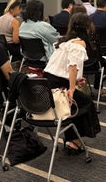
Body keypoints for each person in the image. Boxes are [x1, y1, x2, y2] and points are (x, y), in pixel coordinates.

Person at [43, 12, 101, 153]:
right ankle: (73, 141)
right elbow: (72, 66)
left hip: (48, 82)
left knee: (78, 103)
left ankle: (72, 139)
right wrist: (72, 88)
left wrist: (75, 81)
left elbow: (61, 68)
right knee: (84, 103)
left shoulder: (64, 42)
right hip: (57, 84)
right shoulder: (79, 43)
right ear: (87, 27)